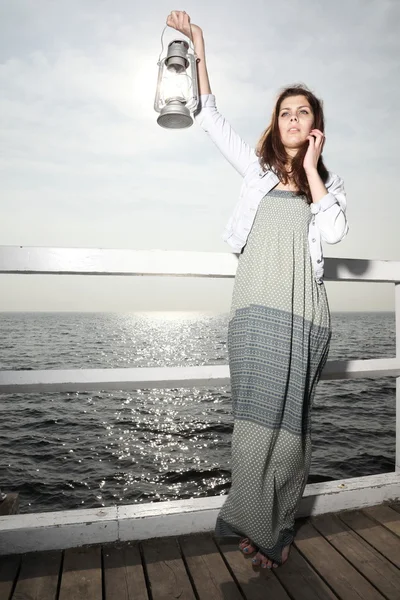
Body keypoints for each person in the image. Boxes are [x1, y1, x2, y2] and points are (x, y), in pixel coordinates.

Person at [166, 10, 349, 569]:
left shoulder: (328, 184)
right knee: (252, 422)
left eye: (303, 113)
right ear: (276, 121)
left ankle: (277, 528)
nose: (293, 118)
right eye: (285, 112)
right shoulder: (255, 169)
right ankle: (255, 522)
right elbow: (208, 114)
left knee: (290, 430)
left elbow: (335, 230)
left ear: (315, 126)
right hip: (254, 311)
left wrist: (314, 169)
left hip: (301, 316)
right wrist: (198, 44)